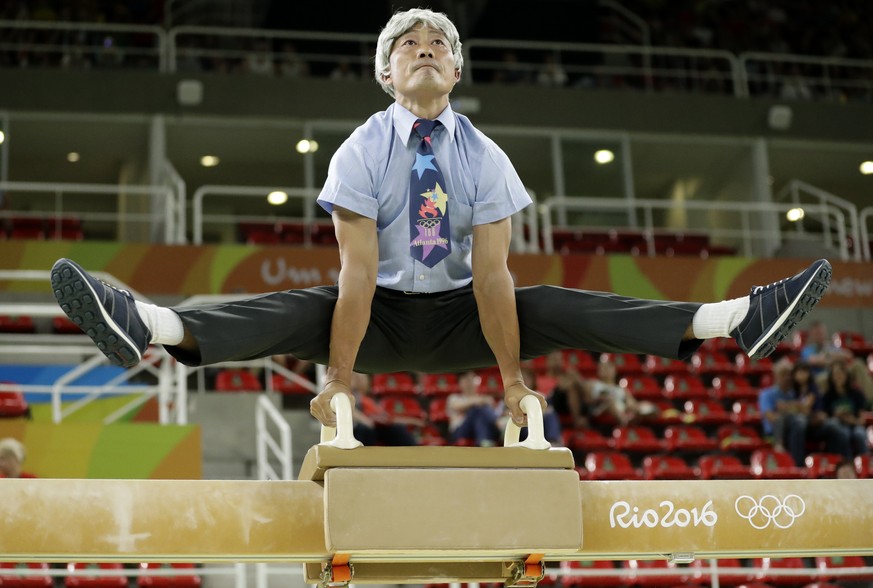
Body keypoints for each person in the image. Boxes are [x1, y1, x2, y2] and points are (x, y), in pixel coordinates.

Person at [49, 8, 832, 432]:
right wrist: (340, 379)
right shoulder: (358, 151)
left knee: (550, 302)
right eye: (407, 45)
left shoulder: (485, 157)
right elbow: (358, 272)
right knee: (298, 308)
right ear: (385, 73)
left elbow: (491, 276)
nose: (424, 51)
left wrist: (514, 381)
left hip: (465, 316)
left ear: (457, 70)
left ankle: (735, 315)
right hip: (375, 314)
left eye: (439, 44)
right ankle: (145, 322)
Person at [791, 360, 851, 460]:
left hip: (815, 424)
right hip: (799, 425)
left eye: (805, 371)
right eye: (800, 372)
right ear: (794, 374)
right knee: (800, 422)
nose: (803, 375)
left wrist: (818, 415)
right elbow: (795, 409)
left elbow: (819, 411)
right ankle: (798, 465)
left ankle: (841, 462)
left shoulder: (813, 389)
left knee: (835, 425)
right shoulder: (791, 390)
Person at [759, 358, 811, 466]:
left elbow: (806, 411)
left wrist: (787, 408)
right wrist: (791, 409)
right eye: (783, 374)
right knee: (796, 421)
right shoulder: (766, 394)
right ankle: (797, 465)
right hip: (774, 432)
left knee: (800, 423)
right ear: (776, 376)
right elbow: (770, 416)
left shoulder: (795, 393)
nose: (787, 378)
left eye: (789, 374)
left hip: (797, 431)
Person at [349, 372, 420, 446]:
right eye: (355, 377)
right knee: (364, 429)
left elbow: (384, 417)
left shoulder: (367, 399)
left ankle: (410, 453)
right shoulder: (347, 396)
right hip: (359, 425)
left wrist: (410, 420)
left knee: (398, 429)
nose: (359, 380)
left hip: (374, 424)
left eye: (361, 378)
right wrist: (364, 420)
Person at [821, 359, 870, 457]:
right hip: (839, 426)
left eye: (840, 374)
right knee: (844, 433)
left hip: (855, 424)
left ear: (846, 376)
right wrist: (837, 416)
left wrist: (852, 421)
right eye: (835, 375)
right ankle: (848, 463)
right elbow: (825, 419)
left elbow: (862, 420)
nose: (838, 377)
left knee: (860, 434)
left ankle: (866, 462)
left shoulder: (857, 394)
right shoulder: (827, 396)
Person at [586, 355, 650, 426]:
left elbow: (631, 402)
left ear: (614, 370)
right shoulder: (592, 384)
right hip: (601, 410)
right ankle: (624, 421)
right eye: (603, 367)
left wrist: (632, 405)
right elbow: (588, 401)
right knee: (610, 402)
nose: (606, 370)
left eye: (609, 367)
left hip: (621, 409)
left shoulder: (622, 389)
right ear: (599, 370)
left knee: (642, 405)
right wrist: (603, 398)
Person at [446, 370, 500, 446]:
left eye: (472, 379)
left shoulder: (482, 398)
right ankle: (499, 425)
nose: (470, 383)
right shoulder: (454, 397)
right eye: (466, 380)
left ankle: (485, 441)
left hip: (482, 428)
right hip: (461, 431)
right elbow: (458, 406)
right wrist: (479, 401)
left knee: (480, 416)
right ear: (460, 383)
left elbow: (492, 405)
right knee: (475, 410)